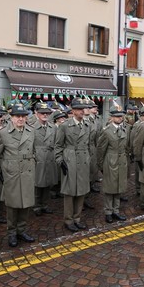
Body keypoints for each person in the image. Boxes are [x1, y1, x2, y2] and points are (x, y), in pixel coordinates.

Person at [0, 105, 37, 247]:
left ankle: (22, 230)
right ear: (11, 117)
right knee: (12, 206)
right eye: (17, 116)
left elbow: (34, 151)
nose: (20, 119)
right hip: (11, 174)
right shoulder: (3, 133)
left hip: (27, 172)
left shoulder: (31, 131)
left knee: (26, 204)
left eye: (23, 116)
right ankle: (12, 232)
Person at [54, 98, 91, 232]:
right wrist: (60, 161)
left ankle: (77, 218)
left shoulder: (87, 125)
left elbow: (89, 145)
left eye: (84, 109)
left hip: (83, 160)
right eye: (80, 109)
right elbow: (58, 145)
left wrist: (89, 159)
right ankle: (68, 220)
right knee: (69, 192)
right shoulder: (65, 126)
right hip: (70, 160)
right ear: (73, 111)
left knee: (81, 191)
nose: (83, 111)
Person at [97, 105, 129, 223]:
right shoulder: (106, 131)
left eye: (121, 116)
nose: (120, 118)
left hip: (121, 161)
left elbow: (126, 147)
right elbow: (100, 150)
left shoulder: (124, 129)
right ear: (112, 117)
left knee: (119, 187)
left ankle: (116, 210)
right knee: (110, 188)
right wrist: (101, 166)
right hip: (110, 160)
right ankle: (108, 211)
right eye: (117, 116)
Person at [32, 102, 57, 216]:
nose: (45, 115)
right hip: (38, 158)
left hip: (49, 158)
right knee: (37, 184)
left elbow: (57, 143)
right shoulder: (31, 127)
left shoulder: (53, 127)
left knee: (48, 183)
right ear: (36, 113)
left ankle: (45, 205)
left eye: (47, 113)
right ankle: (36, 206)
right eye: (42, 113)